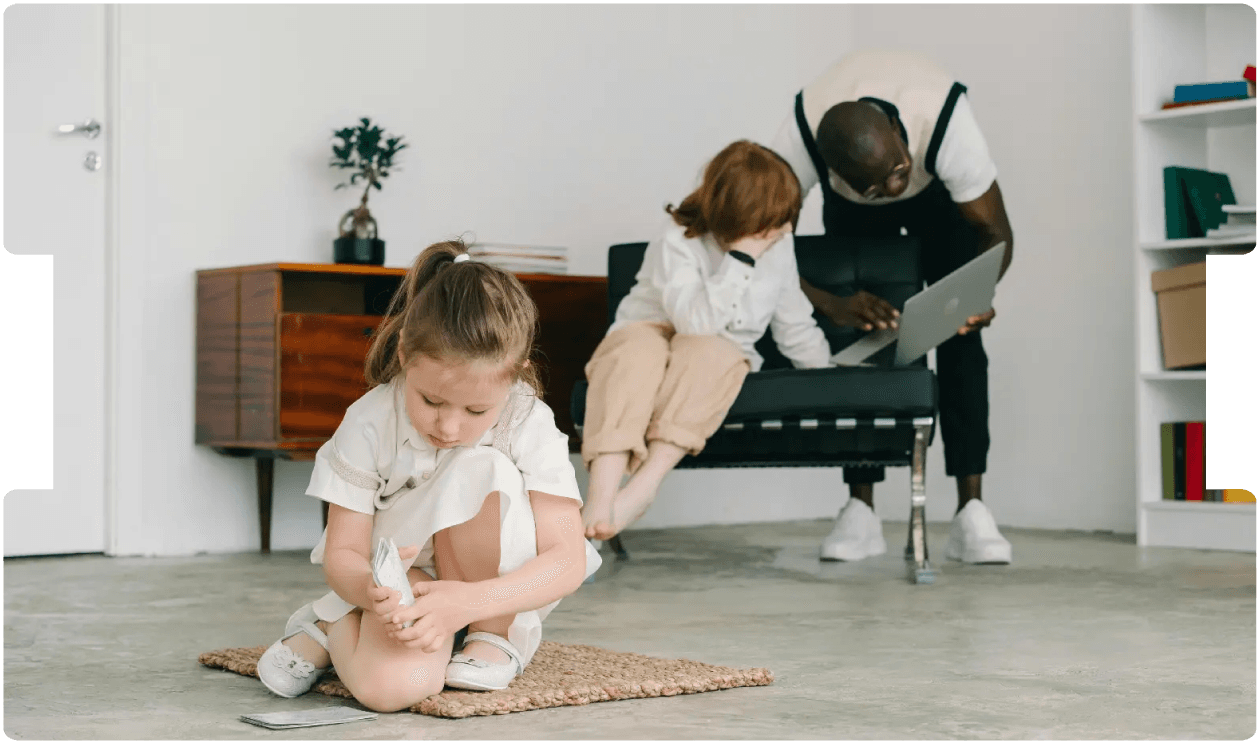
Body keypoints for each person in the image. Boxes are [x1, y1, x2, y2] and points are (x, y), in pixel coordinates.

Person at [256, 240, 602, 711]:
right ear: (403, 353)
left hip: (491, 594)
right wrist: (368, 592)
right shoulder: (371, 420)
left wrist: (471, 604)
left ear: (516, 374)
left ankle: (489, 636)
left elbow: (567, 559)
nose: (449, 426)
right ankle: (336, 622)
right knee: (393, 690)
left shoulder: (528, 420)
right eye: (432, 401)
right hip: (404, 580)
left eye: (476, 409)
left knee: (487, 466)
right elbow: (344, 551)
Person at [770, 48, 1015, 565]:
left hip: (944, 204)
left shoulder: (946, 122)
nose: (896, 189)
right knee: (864, 342)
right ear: (830, 174)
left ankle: (972, 512)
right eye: (881, 186)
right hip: (855, 214)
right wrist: (831, 304)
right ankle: (860, 512)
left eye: (898, 170)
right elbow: (767, 245)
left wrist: (978, 294)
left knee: (960, 340)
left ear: (902, 138)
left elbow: (995, 230)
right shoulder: (798, 142)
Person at [581, 140, 834, 541]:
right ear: (741, 218)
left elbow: (793, 322)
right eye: (774, 220)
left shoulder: (779, 246)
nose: (786, 229)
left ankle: (643, 488)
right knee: (634, 354)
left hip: (717, 347)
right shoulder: (678, 238)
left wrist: (827, 375)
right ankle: (601, 493)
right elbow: (694, 320)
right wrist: (742, 259)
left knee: (709, 353)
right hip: (651, 327)